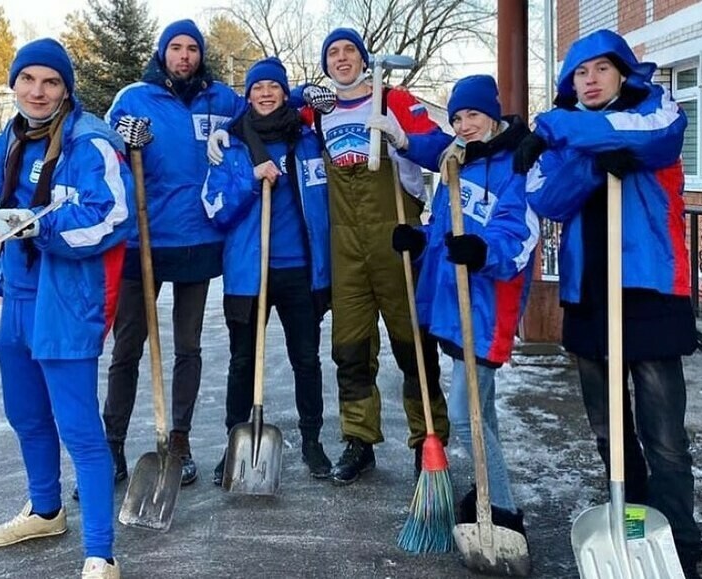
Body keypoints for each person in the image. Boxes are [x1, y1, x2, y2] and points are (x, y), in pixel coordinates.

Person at [515, 29, 702, 579]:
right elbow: (547, 197)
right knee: (609, 431)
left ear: (621, 72)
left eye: (600, 69)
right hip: (590, 298)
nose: (590, 80)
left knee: (664, 435)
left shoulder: (653, 106)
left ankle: (680, 547)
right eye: (580, 73)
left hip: (648, 292)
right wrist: (595, 159)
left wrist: (561, 128)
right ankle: (636, 529)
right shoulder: (571, 139)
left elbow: (659, 139)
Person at [0, 38, 133, 579]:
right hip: (17, 292)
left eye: (50, 82)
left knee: (81, 429)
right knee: (26, 415)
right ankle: (45, 510)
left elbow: (114, 216)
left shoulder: (92, 142)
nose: (38, 91)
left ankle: (100, 552)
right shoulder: (10, 134)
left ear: (66, 88)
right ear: (15, 84)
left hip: (66, 297)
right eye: (28, 80)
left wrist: (43, 224)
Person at [100, 19, 247, 490]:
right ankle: (112, 445)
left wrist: (308, 98)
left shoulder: (221, 98)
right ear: (163, 53)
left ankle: (178, 439)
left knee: (189, 346)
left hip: (199, 237)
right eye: (176, 48)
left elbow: (267, 109)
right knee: (128, 347)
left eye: (192, 49)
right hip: (143, 239)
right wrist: (122, 140)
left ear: (201, 55)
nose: (184, 56)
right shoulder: (134, 97)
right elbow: (101, 152)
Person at [393, 74, 538, 539]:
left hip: (488, 308)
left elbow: (519, 233)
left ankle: (504, 508)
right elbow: (442, 227)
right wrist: (418, 239)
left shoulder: (519, 164)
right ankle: (486, 489)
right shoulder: (458, 164)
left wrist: (483, 250)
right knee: (484, 411)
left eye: (472, 114)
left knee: (463, 413)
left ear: (492, 114)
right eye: (456, 117)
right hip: (454, 305)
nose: (464, 124)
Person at [312, 28, 451, 485]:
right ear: (325, 65)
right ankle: (359, 440)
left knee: (412, 343)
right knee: (349, 347)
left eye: (350, 49)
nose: (342, 57)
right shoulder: (319, 112)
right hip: (345, 247)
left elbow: (444, 151)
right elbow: (264, 107)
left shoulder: (394, 99)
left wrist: (405, 140)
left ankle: (427, 437)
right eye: (333, 52)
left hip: (395, 237)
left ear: (365, 58)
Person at [201, 57, 333, 481]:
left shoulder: (308, 140)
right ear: (248, 94)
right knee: (242, 362)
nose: (265, 93)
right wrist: (250, 180)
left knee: (307, 360)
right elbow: (214, 209)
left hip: (299, 270)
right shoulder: (231, 146)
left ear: (283, 92)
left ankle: (312, 440)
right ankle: (234, 442)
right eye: (257, 88)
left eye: (273, 87)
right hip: (248, 272)